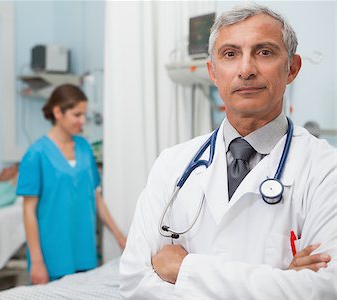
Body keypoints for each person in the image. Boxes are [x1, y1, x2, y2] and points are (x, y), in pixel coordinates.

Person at [120, 3, 336, 299]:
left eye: (264, 52)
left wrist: (186, 270)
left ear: (292, 68)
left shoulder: (326, 169)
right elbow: (134, 281)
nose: (246, 70)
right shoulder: (172, 164)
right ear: (213, 71)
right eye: (230, 54)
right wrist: (281, 280)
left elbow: (325, 287)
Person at [17, 84, 127, 284]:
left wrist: (120, 237)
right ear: (58, 112)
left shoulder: (84, 147)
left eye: (84, 115)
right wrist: (37, 262)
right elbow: (28, 211)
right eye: (77, 115)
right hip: (52, 257)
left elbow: (96, 199)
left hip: (84, 252)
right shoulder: (36, 153)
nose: (83, 121)